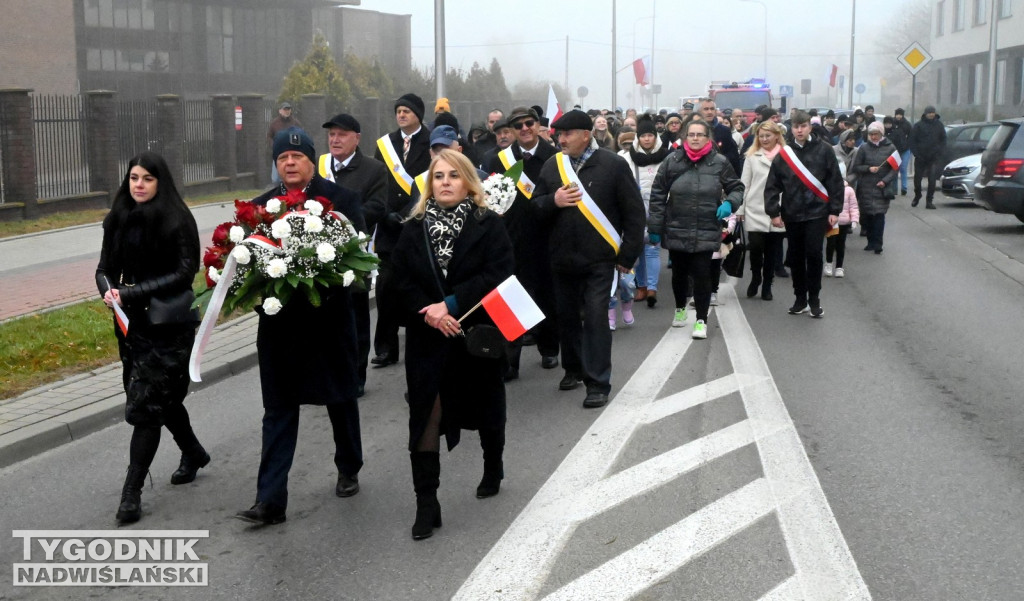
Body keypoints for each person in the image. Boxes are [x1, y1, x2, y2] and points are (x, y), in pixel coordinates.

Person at [235, 127, 367, 526]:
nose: (289, 163)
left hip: (328, 322)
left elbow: (357, 259)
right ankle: (270, 500)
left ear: (312, 160)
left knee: (340, 398)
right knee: (278, 407)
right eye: (282, 158)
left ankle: (349, 466)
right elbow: (246, 266)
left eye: (296, 156)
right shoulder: (260, 209)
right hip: (280, 328)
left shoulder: (341, 201)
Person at [390, 149, 515, 540]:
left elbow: (499, 272)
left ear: (468, 182)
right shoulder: (413, 228)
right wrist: (428, 312)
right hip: (429, 339)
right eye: (438, 176)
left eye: (453, 176)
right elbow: (397, 282)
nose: (444, 182)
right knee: (425, 416)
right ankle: (427, 502)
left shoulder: (488, 224)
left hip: (476, 336)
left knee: (487, 406)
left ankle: (493, 465)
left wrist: (453, 303)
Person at [96, 151, 208, 524]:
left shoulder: (177, 218)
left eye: (147, 178)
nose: (139, 185)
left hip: (169, 325)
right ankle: (192, 451)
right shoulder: (118, 219)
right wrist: (109, 291)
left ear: (161, 182)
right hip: (132, 326)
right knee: (160, 397)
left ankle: (131, 492)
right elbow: (104, 269)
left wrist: (133, 292)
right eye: (134, 178)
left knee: (146, 407)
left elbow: (185, 272)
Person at [532, 110, 645, 408]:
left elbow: (634, 214)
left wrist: (628, 255)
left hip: (600, 261)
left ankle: (598, 383)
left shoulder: (613, 165)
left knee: (596, 318)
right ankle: (573, 369)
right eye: (558, 133)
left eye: (567, 133)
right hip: (561, 259)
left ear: (586, 134)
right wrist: (552, 201)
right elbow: (534, 208)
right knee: (566, 317)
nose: (561, 138)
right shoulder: (551, 166)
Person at [649, 119, 744, 339]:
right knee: (680, 274)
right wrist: (655, 225)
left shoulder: (719, 162)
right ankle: (680, 309)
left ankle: (701, 320)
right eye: (691, 134)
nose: (695, 138)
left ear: (707, 137)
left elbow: (736, 187)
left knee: (702, 274)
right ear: (684, 137)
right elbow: (658, 194)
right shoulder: (671, 161)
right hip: (677, 226)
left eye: (700, 134)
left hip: (706, 226)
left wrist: (730, 202)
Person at [486, 106, 560, 380]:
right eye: (518, 126)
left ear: (538, 124)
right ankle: (509, 360)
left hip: (545, 238)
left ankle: (549, 347)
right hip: (510, 238)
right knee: (510, 298)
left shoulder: (554, 157)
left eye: (529, 123)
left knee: (546, 295)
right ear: (512, 131)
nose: (525, 129)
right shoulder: (498, 160)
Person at [319, 113, 389, 397]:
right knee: (324, 317)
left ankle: (356, 375)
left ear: (356, 138)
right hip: (320, 255)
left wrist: (343, 218)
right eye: (332, 134)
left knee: (355, 316)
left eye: (342, 134)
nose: (335, 139)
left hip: (356, 255)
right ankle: (327, 373)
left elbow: (378, 207)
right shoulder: (320, 166)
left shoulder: (373, 169)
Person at [371, 93, 432, 368]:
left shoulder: (431, 142)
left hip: (419, 226)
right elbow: (377, 182)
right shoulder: (385, 145)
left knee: (420, 287)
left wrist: (409, 213)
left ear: (418, 114)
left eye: (407, 111)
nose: (402, 115)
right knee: (386, 290)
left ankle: (423, 343)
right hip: (389, 229)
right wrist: (386, 214)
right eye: (398, 111)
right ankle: (385, 348)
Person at [764, 111, 844, 319]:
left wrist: (835, 210)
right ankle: (800, 298)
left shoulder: (824, 150)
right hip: (792, 211)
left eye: (803, 126)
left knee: (814, 254)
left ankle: (814, 299)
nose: (799, 130)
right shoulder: (784, 154)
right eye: (796, 126)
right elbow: (773, 185)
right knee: (796, 257)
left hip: (818, 211)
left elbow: (835, 181)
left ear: (810, 126)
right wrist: (773, 211)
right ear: (791, 128)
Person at [619, 114, 671, 308]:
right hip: (633, 209)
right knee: (637, 249)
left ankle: (652, 288)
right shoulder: (625, 158)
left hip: (658, 208)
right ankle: (640, 286)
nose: (647, 139)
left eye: (650, 135)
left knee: (652, 248)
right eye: (643, 135)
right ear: (637, 137)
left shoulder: (667, 157)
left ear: (655, 137)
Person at [737, 121, 787, 301]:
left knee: (773, 250)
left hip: (778, 210)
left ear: (776, 136)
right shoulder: (752, 156)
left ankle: (767, 284)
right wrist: (740, 209)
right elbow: (745, 184)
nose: (764, 139)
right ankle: (756, 277)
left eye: (768, 135)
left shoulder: (787, 155)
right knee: (756, 247)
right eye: (761, 135)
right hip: (755, 208)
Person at [852, 121, 898, 253]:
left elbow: (895, 169)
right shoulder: (864, 148)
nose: (873, 137)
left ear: (881, 134)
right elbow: (857, 166)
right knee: (867, 217)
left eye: (875, 134)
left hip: (881, 188)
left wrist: (885, 181)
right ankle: (870, 241)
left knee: (879, 216)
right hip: (865, 187)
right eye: (871, 134)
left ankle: (878, 244)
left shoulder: (890, 148)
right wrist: (868, 168)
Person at [908, 105, 946, 209]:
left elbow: (943, 140)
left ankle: (929, 201)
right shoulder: (918, 125)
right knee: (917, 179)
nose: (931, 114)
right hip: (920, 157)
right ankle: (917, 195)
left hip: (933, 157)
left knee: (932, 179)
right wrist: (916, 153)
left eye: (932, 112)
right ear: (925, 114)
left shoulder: (939, 125)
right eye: (929, 113)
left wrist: (939, 152)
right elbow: (912, 141)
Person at [825, 180, 860, 278]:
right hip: (832, 222)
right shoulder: (829, 188)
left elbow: (853, 206)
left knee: (841, 245)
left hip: (844, 223)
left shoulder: (849, 190)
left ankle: (839, 267)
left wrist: (854, 220)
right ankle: (829, 264)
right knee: (830, 243)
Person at [699, 98, 742, 174]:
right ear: (699, 112)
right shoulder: (692, 130)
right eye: (706, 109)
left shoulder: (724, 131)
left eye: (712, 109)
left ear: (715, 111)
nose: (709, 112)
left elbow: (733, 156)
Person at [267, 102, 302, 184]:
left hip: (292, 154)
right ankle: (278, 194)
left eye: (288, 109)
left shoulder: (295, 123)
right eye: (285, 109)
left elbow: (301, 136)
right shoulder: (274, 123)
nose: (287, 111)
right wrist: (274, 146)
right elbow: (269, 136)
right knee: (275, 179)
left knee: (290, 177)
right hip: (279, 154)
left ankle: (288, 194)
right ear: (280, 111)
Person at [890, 108, 913, 195]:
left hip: (905, 150)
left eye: (900, 114)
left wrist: (908, 145)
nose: (899, 116)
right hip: (894, 151)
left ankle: (904, 188)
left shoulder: (907, 124)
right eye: (897, 114)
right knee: (895, 169)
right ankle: (894, 189)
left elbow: (911, 136)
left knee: (903, 168)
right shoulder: (892, 123)